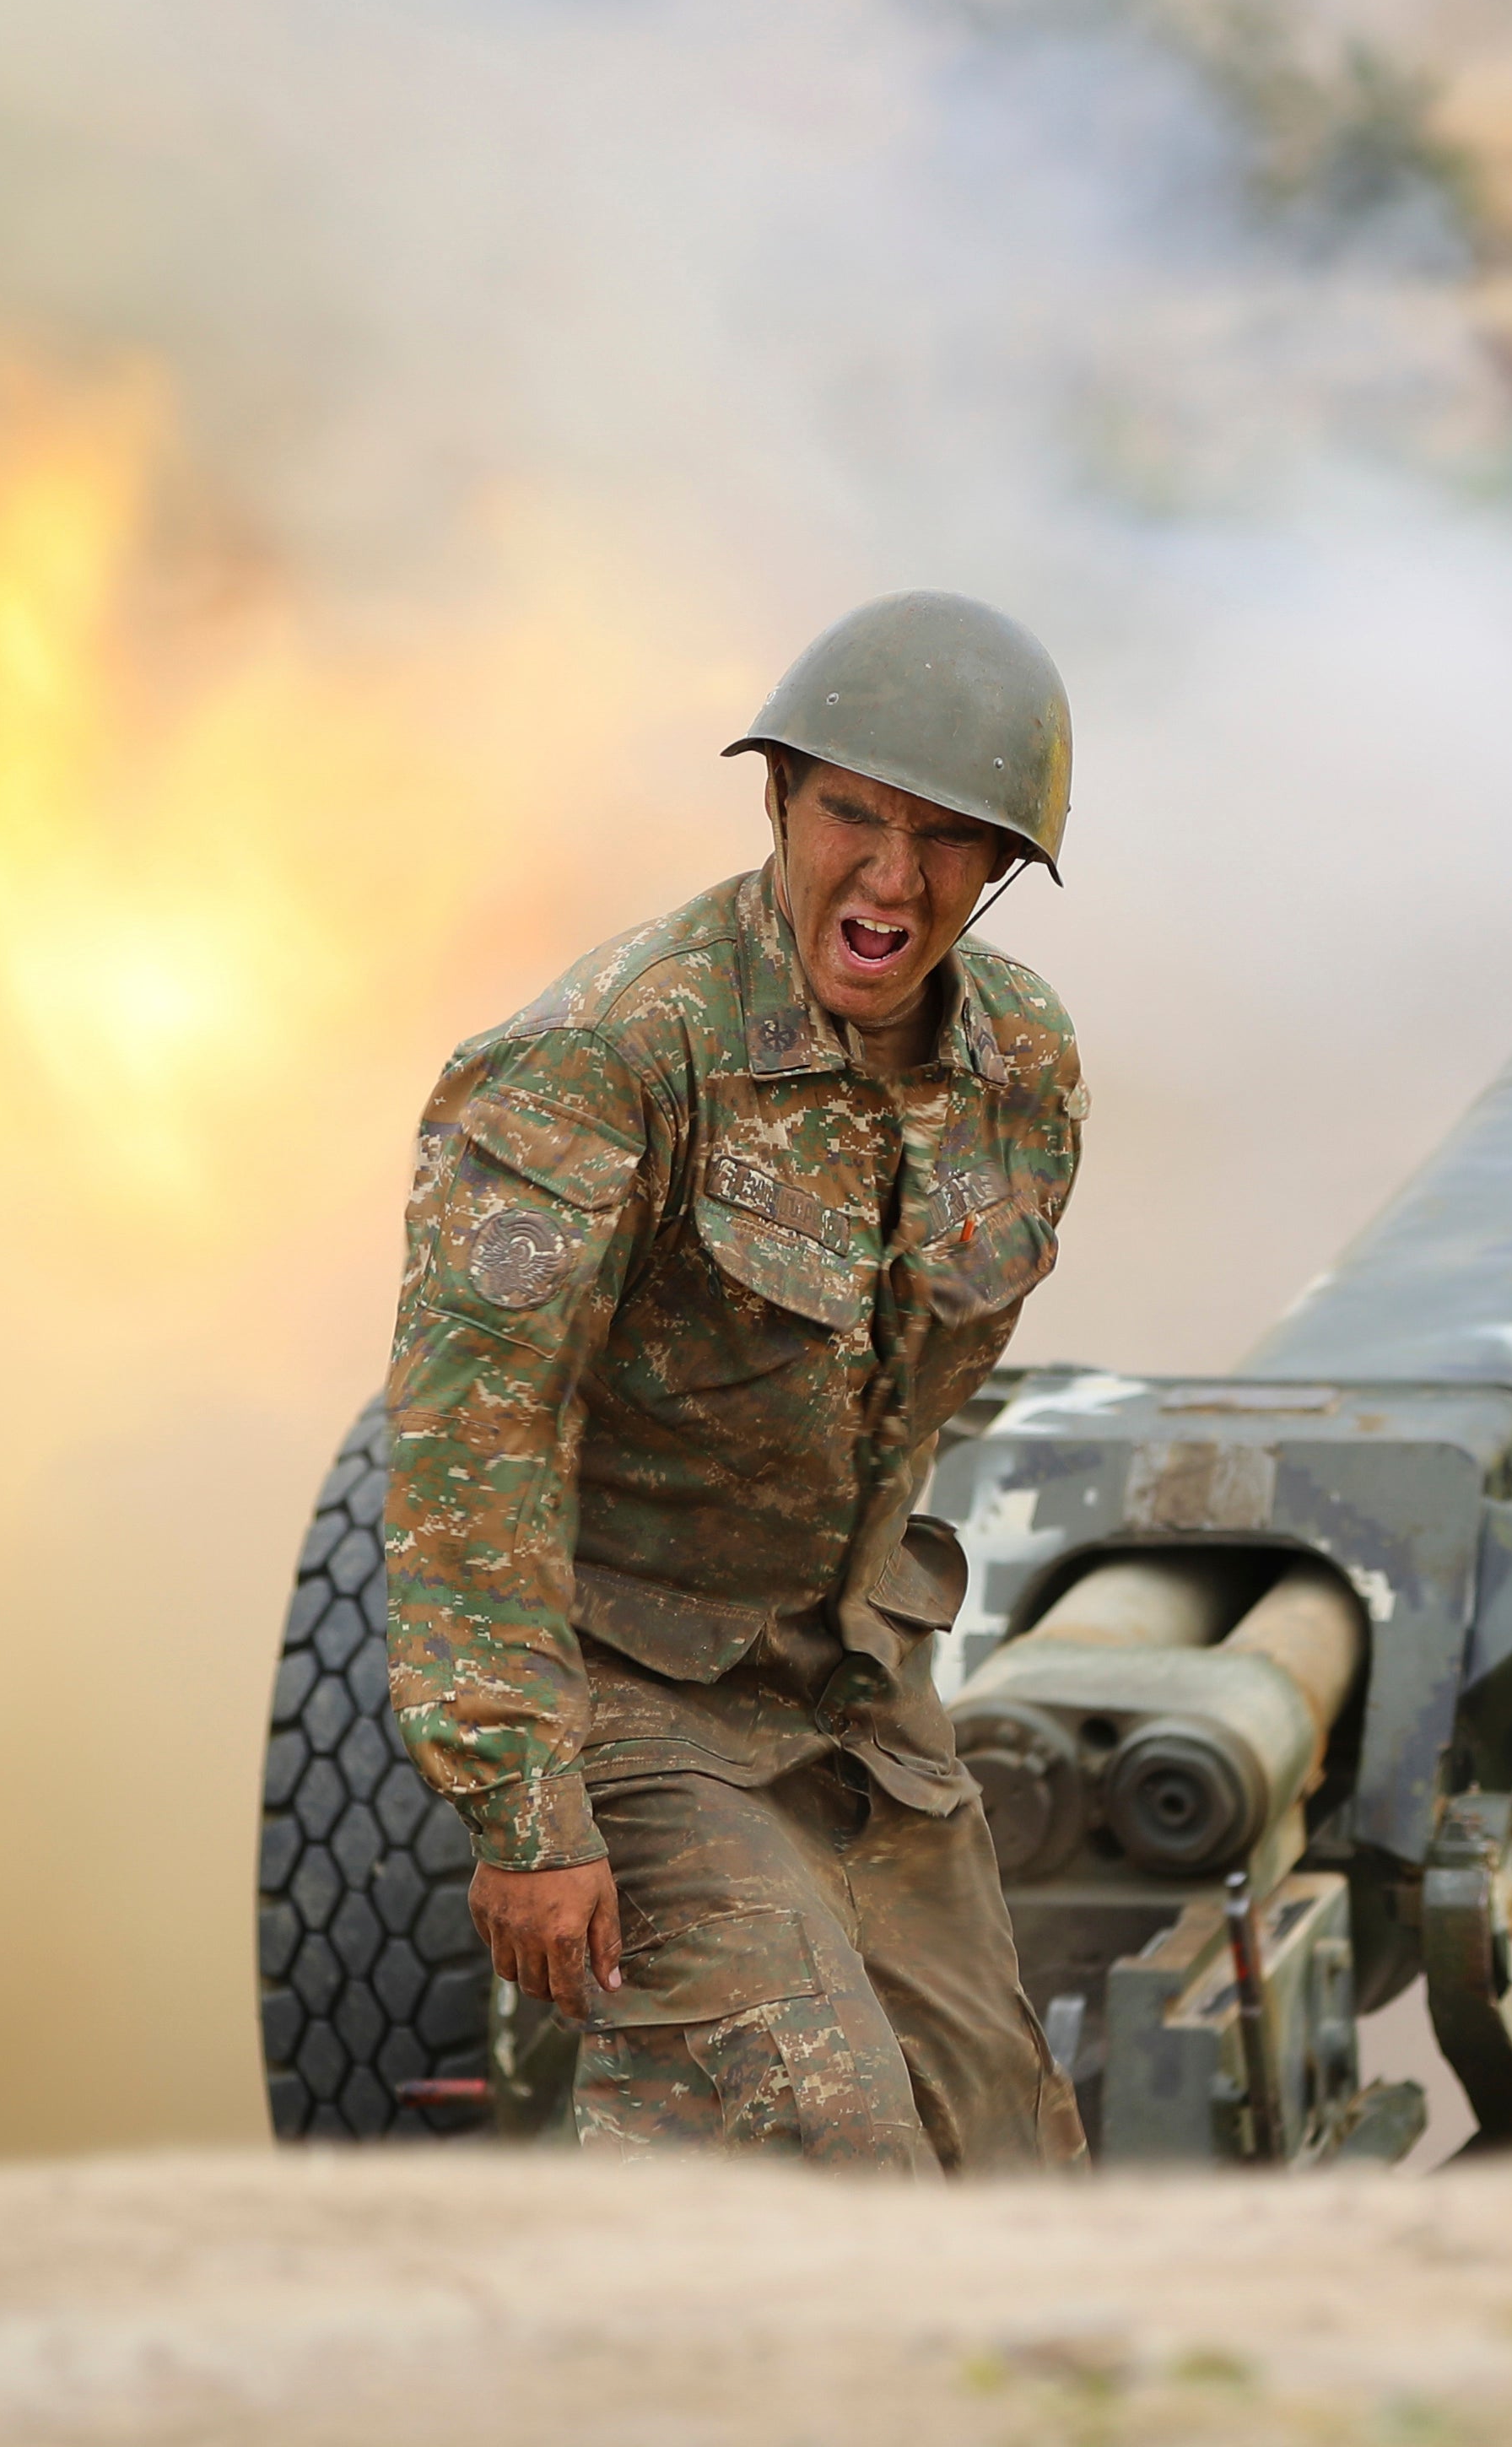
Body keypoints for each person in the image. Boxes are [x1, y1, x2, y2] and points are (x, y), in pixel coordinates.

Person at [376, 591, 1088, 2170]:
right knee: (822, 2159)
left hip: (855, 1696)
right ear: (778, 796)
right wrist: (524, 1812)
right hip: (628, 1692)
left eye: (950, 839)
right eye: (853, 813)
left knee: (1013, 2172)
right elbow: (470, 1445)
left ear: (1003, 868)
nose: (892, 880)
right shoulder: (608, 1059)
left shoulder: (1021, 1069)